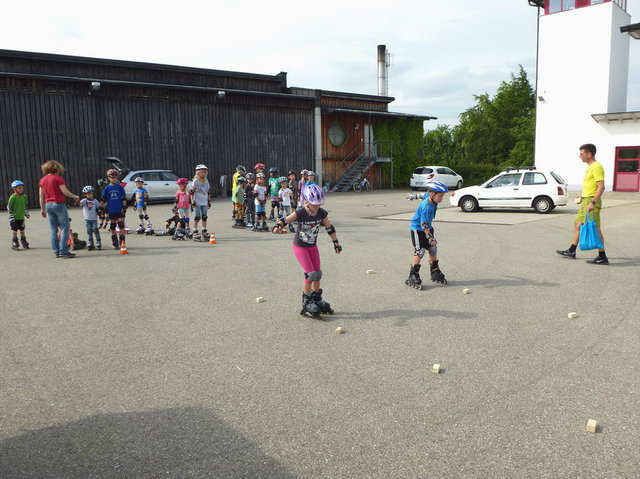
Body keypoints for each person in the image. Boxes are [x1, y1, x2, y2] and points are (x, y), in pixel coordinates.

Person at [272, 184, 342, 319]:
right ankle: (306, 301)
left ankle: (316, 298)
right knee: (310, 274)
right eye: (314, 204)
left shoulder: (321, 213)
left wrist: (336, 243)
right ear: (307, 201)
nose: (316, 207)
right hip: (300, 246)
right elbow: (286, 219)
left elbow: (330, 228)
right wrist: (278, 225)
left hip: (312, 246)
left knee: (318, 274)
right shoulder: (301, 212)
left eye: (318, 204)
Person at [557, 143, 608, 264]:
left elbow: (601, 187)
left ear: (589, 154)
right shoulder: (590, 166)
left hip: (591, 201)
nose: (580, 156)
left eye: (581, 154)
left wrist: (593, 202)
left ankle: (602, 256)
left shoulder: (596, 167)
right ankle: (572, 250)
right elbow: (591, 186)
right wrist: (583, 196)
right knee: (578, 224)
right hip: (586, 199)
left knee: (595, 228)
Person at [406, 181, 449, 290]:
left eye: (442, 196)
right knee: (420, 251)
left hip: (427, 228)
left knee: (432, 248)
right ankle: (412, 275)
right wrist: (430, 238)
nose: (441, 199)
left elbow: (421, 195)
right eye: (440, 196)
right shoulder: (426, 207)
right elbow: (423, 225)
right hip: (417, 229)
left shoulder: (430, 198)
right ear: (432, 194)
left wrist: (412, 196)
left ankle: (434, 271)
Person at [38, 160, 80, 258]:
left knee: (53, 229)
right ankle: (64, 250)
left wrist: (42, 208)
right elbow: (65, 191)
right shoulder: (58, 179)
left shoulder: (42, 180)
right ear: (56, 168)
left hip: (48, 205)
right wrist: (75, 196)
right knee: (65, 227)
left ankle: (56, 251)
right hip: (59, 204)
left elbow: (41, 196)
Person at [101, 169, 128, 250]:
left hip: (119, 209)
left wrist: (124, 207)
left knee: (121, 224)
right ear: (109, 178)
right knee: (112, 226)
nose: (114, 179)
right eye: (113, 178)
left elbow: (124, 198)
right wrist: (101, 208)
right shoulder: (107, 188)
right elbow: (103, 199)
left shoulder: (120, 187)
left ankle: (122, 240)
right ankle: (115, 239)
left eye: (116, 178)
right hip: (111, 209)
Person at [8, 180, 30, 250]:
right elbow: (9, 207)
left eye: (22, 188)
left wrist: (26, 213)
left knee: (22, 229)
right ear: (15, 189)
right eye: (19, 188)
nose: (21, 190)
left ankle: (23, 240)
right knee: (14, 230)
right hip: (15, 217)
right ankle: (15, 241)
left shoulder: (24, 196)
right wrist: (11, 216)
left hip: (21, 217)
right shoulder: (13, 197)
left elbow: (25, 205)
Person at [190, 164, 211, 241]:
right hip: (197, 201)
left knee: (204, 217)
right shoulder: (195, 181)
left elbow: (208, 192)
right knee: (197, 217)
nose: (203, 174)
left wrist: (208, 201)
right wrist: (192, 202)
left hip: (204, 201)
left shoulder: (206, 181)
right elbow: (192, 192)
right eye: (202, 172)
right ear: (198, 173)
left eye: (204, 172)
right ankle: (195, 231)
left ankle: (204, 230)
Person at [79, 185, 102, 250]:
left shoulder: (95, 201)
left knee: (95, 230)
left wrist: (100, 213)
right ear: (85, 195)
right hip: (87, 218)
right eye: (88, 194)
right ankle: (90, 243)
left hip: (94, 218)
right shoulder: (84, 201)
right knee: (89, 231)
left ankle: (98, 242)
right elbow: (79, 203)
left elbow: (98, 208)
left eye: (91, 193)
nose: (90, 195)